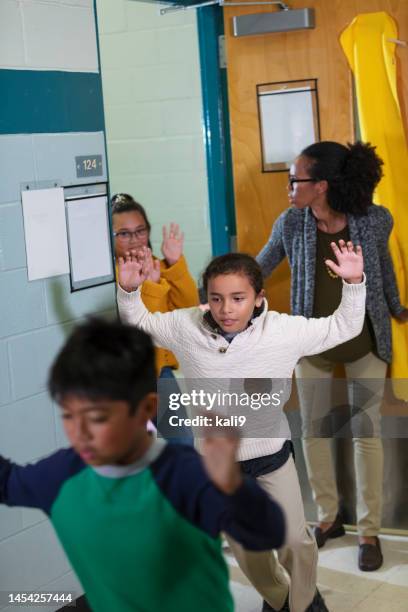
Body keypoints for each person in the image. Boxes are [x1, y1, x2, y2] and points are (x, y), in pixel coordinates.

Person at [116, 244, 366, 612]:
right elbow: (141, 323)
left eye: (237, 298)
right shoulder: (186, 327)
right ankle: (280, 598)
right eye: (216, 299)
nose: (226, 309)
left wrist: (354, 282)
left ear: (258, 298)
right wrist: (129, 291)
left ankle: (303, 604)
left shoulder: (283, 331)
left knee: (295, 542)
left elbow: (343, 326)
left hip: (270, 457)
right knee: (248, 551)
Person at [0, 318, 286, 612]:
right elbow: (6, 482)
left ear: (147, 409)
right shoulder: (60, 476)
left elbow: (268, 533)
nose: (80, 434)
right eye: (69, 416)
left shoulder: (185, 476)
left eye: (98, 418)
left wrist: (232, 485)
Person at [256, 141, 408, 572]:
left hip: (364, 341)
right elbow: (259, 267)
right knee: (314, 432)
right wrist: (225, 291)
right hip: (312, 344)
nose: (288, 187)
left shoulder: (373, 220)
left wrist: (397, 308)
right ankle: (327, 518)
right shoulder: (292, 223)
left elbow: (383, 269)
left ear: (320, 185)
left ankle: (370, 531)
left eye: (295, 179)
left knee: (366, 434)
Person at [112, 193, 198, 441]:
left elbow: (187, 310)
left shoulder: (158, 265)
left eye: (141, 231)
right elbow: (142, 331)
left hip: (159, 373)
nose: (135, 240)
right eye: (124, 233)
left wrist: (174, 262)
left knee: (183, 443)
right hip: (127, 379)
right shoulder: (113, 275)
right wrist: (151, 287)